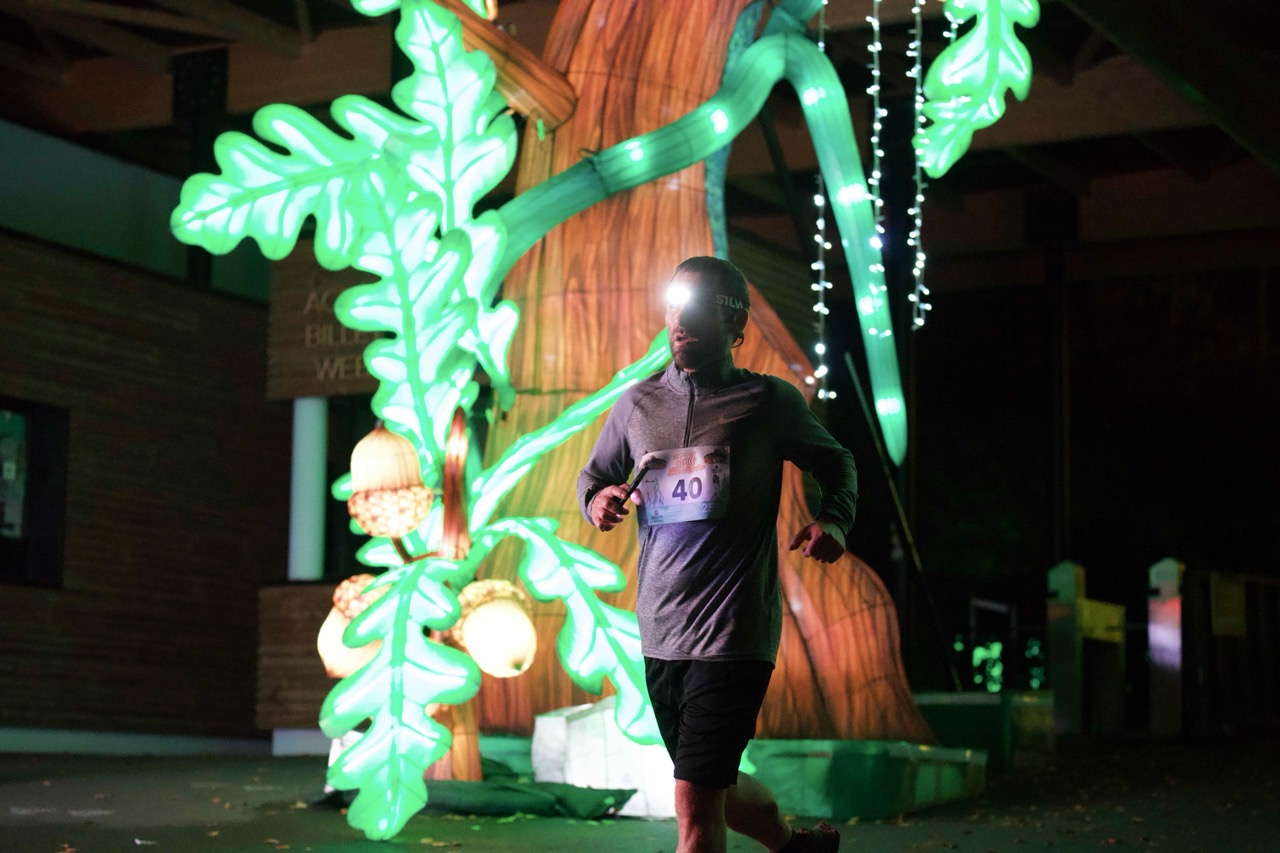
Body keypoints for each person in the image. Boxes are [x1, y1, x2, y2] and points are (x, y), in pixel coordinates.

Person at [577, 256, 857, 853]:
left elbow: (837, 463)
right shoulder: (637, 404)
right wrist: (597, 500)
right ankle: (796, 847)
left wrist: (834, 518)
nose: (680, 320)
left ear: (737, 325)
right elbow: (594, 478)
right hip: (661, 632)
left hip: (733, 633)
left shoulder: (768, 400)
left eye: (698, 307)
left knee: (695, 807)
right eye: (673, 304)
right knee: (709, 786)